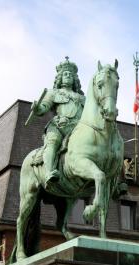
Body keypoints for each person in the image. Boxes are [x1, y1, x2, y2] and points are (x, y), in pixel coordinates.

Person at [32, 57, 85, 186]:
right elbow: (43, 107)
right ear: (60, 78)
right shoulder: (53, 93)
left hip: (78, 129)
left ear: (74, 79)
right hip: (59, 126)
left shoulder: (83, 98)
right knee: (53, 143)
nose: (68, 76)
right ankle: (49, 172)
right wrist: (37, 108)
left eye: (70, 75)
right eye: (65, 74)